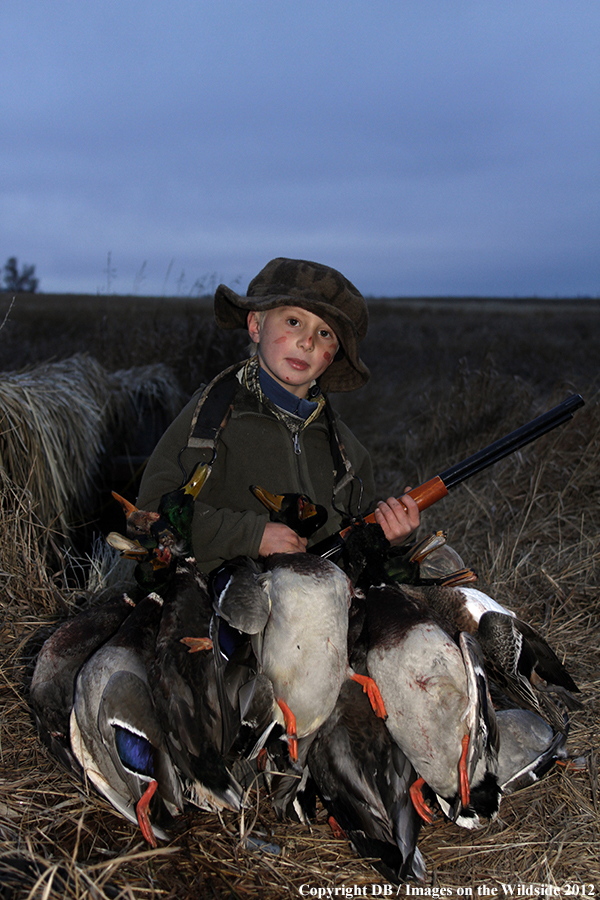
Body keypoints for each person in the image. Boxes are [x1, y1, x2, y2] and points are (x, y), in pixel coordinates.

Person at [137, 257, 420, 574]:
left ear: (335, 355)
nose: (308, 342)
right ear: (256, 325)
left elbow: (351, 541)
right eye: (294, 322)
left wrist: (388, 534)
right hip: (225, 596)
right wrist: (252, 536)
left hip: (322, 599)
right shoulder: (208, 417)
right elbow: (148, 515)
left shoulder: (347, 451)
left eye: (325, 333)